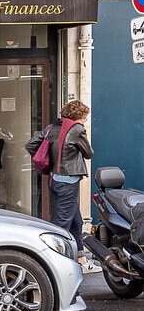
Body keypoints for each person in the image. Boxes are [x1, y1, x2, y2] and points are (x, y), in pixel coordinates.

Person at [25, 100, 97, 272]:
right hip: (68, 181)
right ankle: (52, 264)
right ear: (79, 116)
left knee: (76, 221)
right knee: (62, 224)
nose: (84, 121)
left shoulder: (52, 128)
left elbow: (30, 144)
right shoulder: (77, 129)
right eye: (84, 117)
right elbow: (89, 153)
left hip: (55, 180)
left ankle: (80, 258)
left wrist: (50, 158)